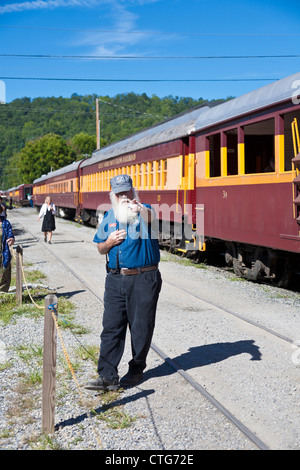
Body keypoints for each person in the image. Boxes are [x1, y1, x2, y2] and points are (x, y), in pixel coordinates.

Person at [86, 174, 162, 391]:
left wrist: (139, 210)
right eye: (119, 193)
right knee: (111, 327)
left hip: (143, 278)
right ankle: (107, 376)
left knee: (141, 328)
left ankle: (137, 369)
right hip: (115, 278)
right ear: (113, 195)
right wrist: (109, 242)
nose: (124, 196)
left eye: (127, 192)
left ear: (133, 191)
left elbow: (151, 218)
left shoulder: (144, 210)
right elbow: (100, 248)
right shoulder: (109, 216)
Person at [0, 204, 15, 292]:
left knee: (4, 274)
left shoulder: (5, 223)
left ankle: (2, 295)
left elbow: (11, 236)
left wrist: (11, 240)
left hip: (3, 253)